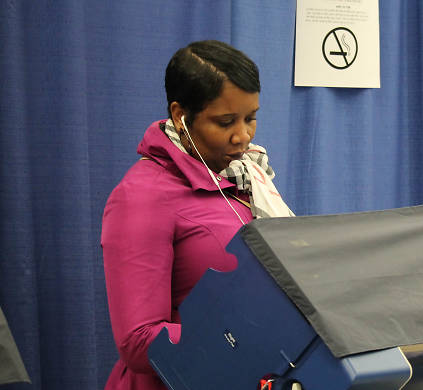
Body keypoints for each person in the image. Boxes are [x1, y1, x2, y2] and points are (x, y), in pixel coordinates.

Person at [101, 40, 293, 389]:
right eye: (224, 122)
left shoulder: (247, 179)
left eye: (251, 118)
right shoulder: (141, 197)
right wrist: (247, 334)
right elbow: (138, 341)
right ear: (180, 116)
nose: (242, 136)